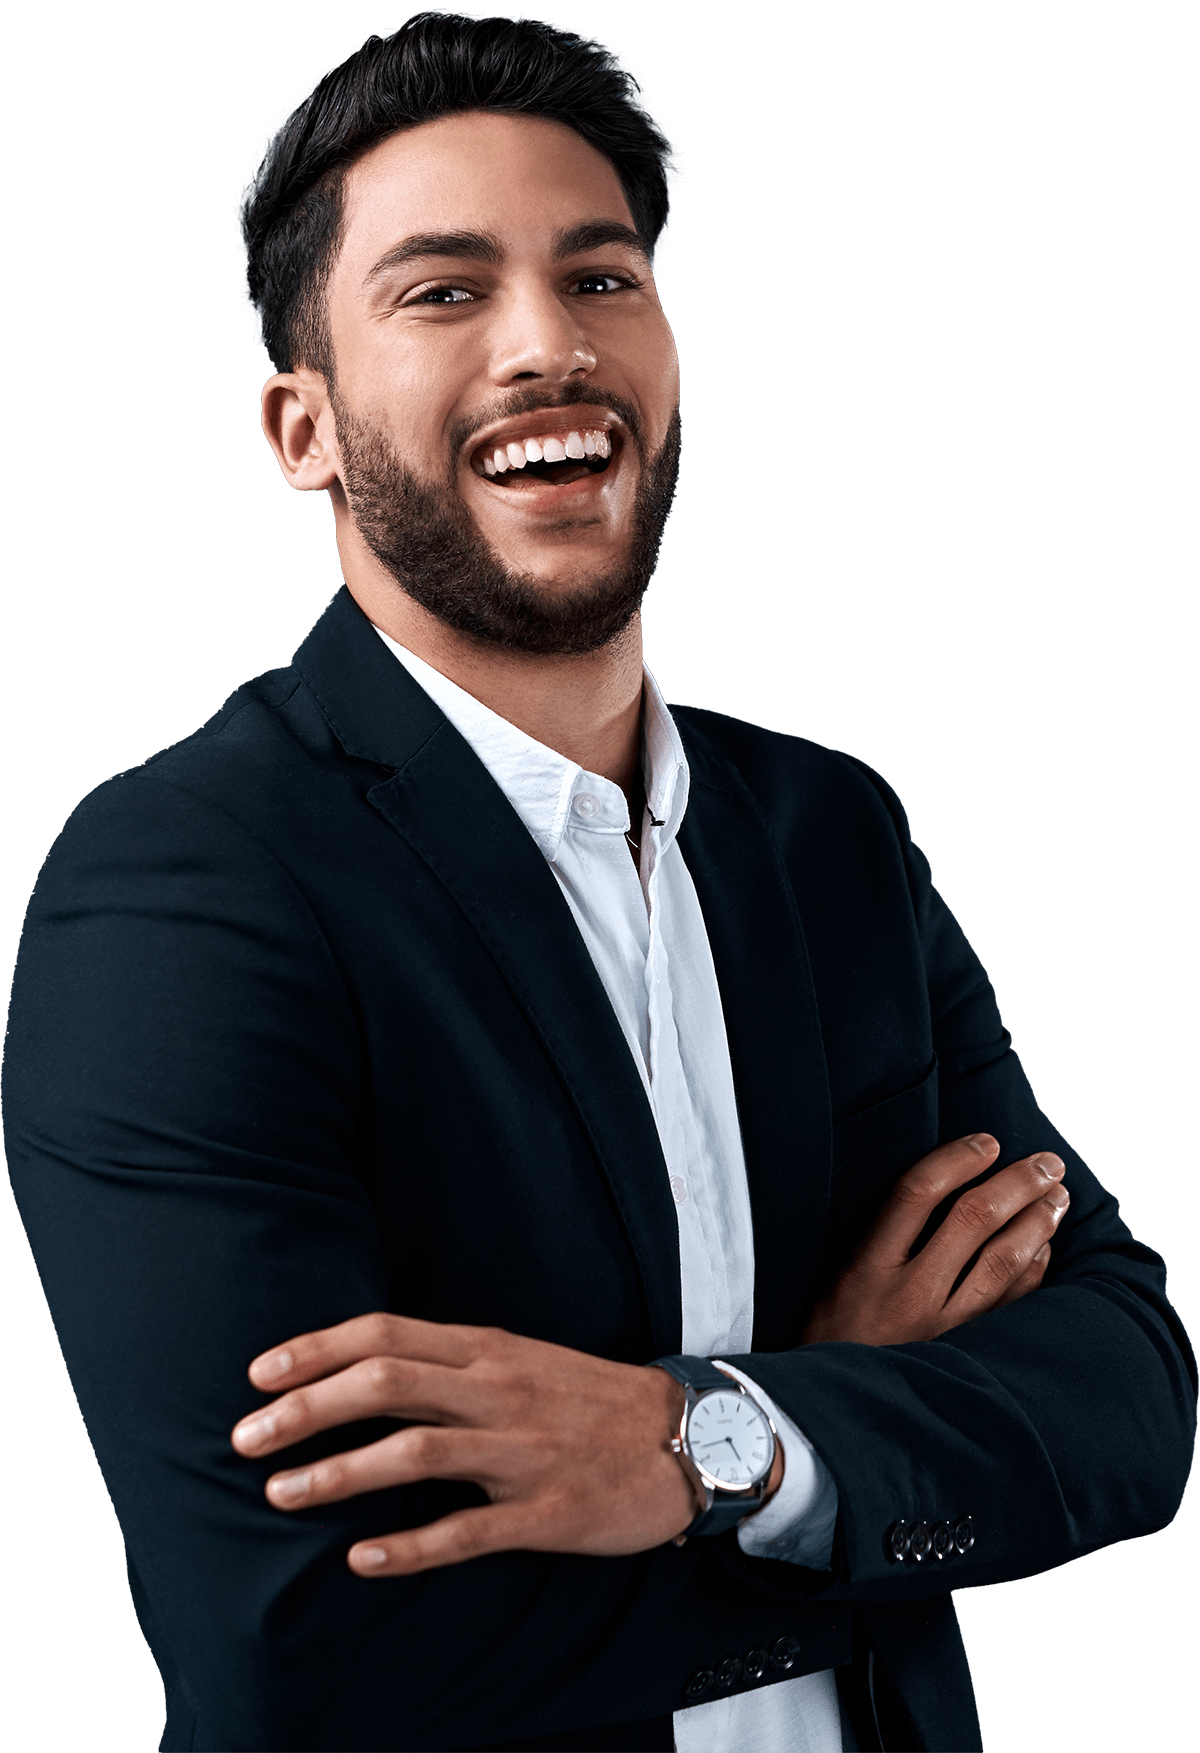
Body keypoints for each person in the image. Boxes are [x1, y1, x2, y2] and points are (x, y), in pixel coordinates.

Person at [3, 13, 1193, 1753]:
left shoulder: (830, 838)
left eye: (604, 277)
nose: (549, 346)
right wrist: (832, 1437)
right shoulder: (187, 888)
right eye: (443, 291)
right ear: (304, 429)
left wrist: (700, 1443)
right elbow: (299, 1641)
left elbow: (1131, 1403)